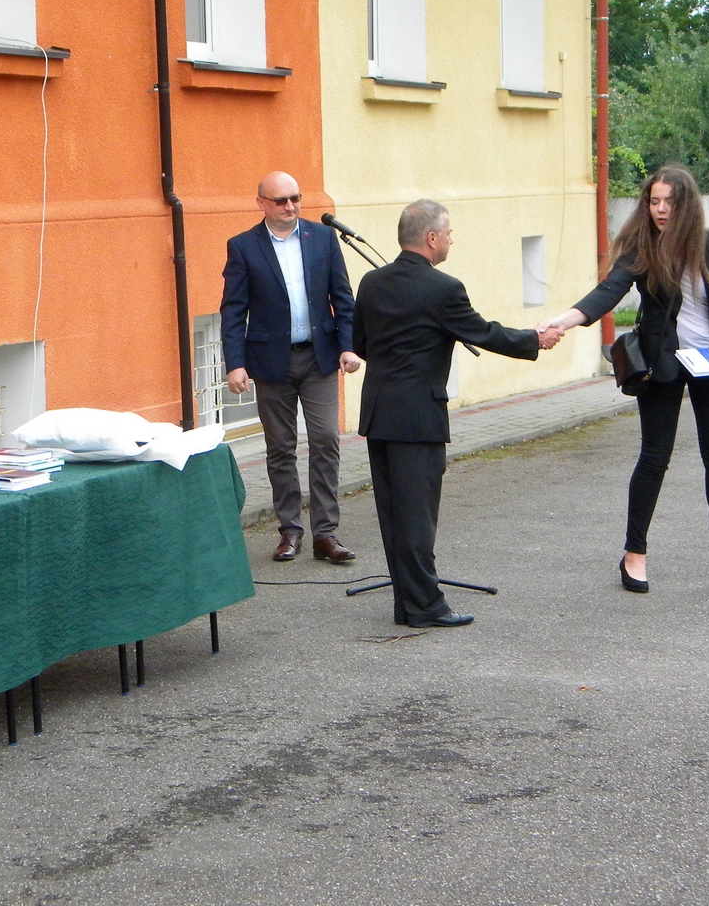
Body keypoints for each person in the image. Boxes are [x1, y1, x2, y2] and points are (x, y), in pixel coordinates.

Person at [542, 166, 709, 595]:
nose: (660, 209)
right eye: (654, 201)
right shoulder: (642, 247)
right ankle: (634, 553)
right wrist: (565, 320)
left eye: (669, 202)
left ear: (686, 205)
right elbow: (609, 291)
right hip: (662, 362)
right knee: (654, 458)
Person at [353, 200, 562, 628]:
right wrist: (534, 339)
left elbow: (361, 345)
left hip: (379, 413)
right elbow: (483, 332)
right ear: (431, 238)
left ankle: (409, 604)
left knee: (394, 516)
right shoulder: (443, 288)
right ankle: (426, 607)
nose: (452, 240)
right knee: (418, 518)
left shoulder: (371, 283)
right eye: (449, 233)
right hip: (418, 418)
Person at [221, 172, 362, 563]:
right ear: (261, 203)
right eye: (281, 200)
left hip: (320, 356)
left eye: (295, 198)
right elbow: (233, 310)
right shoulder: (243, 246)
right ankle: (290, 531)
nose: (290, 206)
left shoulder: (323, 238)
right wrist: (235, 364)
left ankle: (326, 533)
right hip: (271, 361)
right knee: (280, 447)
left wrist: (348, 346)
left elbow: (343, 298)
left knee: (325, 439)